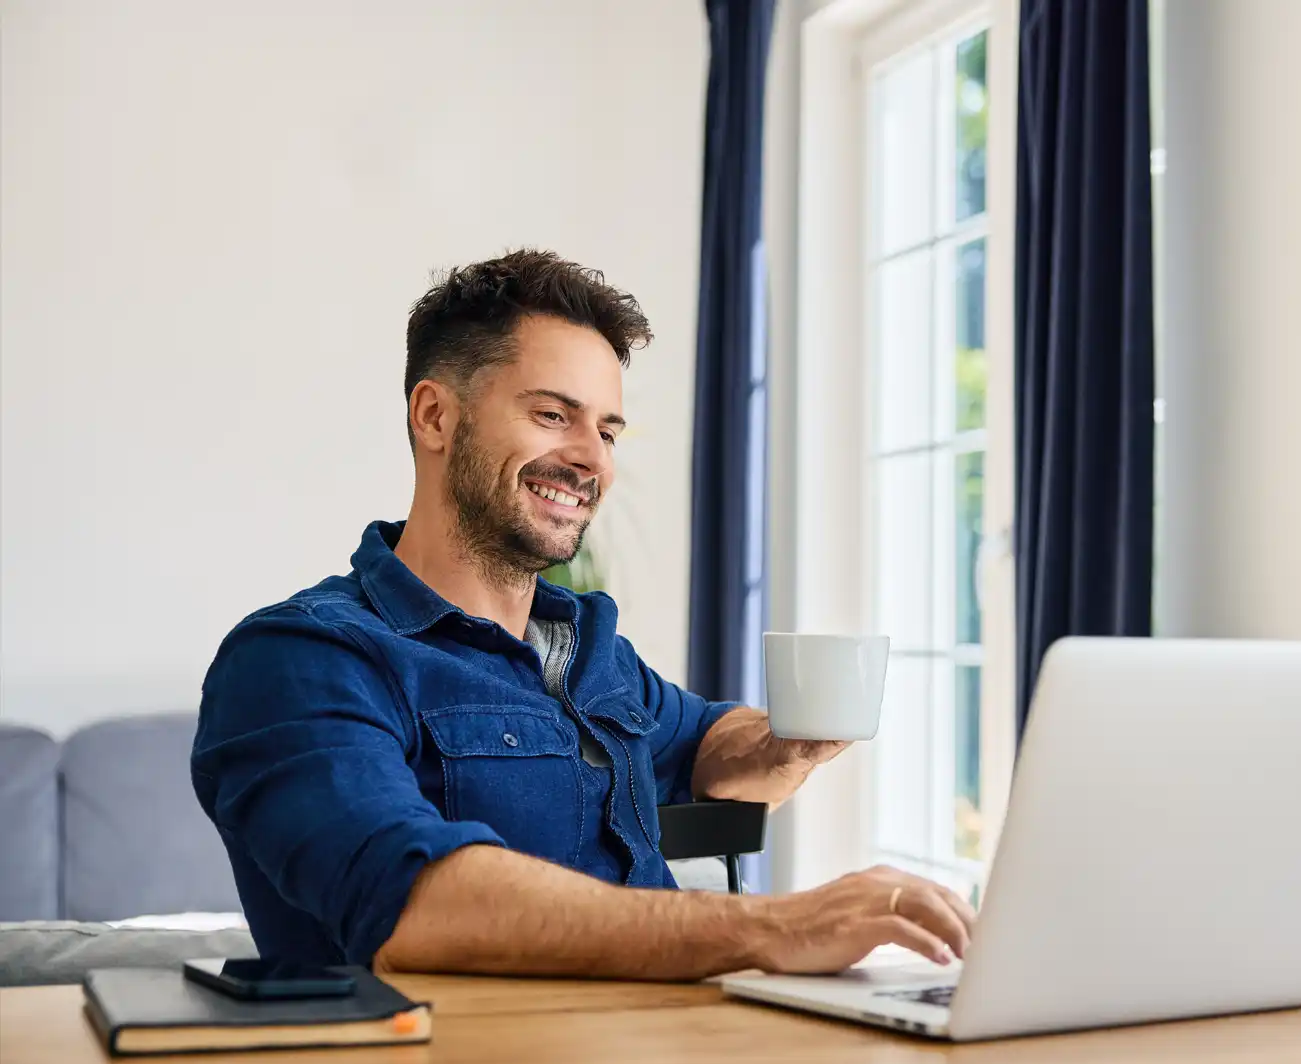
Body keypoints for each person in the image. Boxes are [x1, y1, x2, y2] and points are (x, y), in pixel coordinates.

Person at [192, 249, 973, 980]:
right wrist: (773, 927)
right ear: (434, 416)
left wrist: (784, 745)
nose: (594, 460)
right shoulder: (299, 660)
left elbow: (703, 745)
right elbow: (414, 899)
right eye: (553, 415)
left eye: (606, 430)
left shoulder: (586, 648)